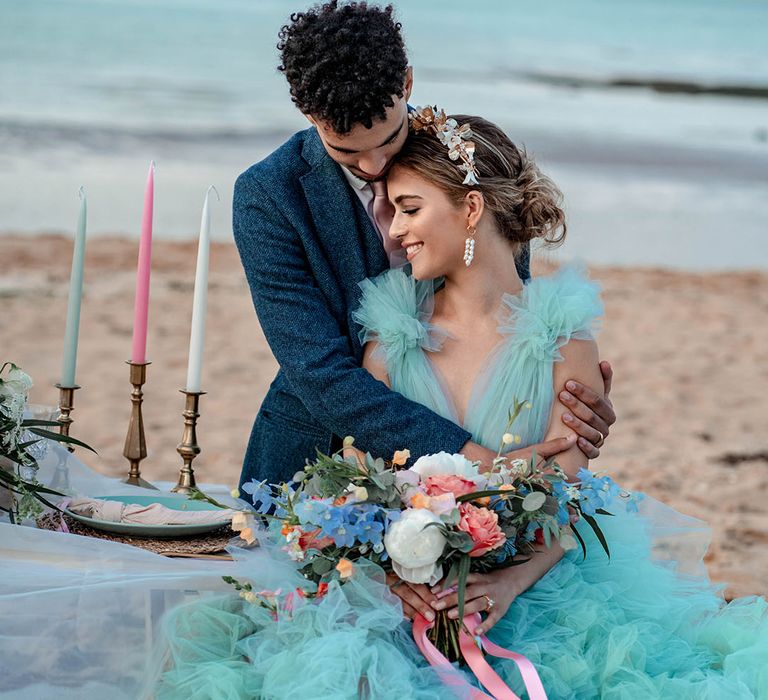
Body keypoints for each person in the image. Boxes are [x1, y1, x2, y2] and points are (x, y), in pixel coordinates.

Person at [150, 111, 767, 698]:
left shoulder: (561, 336)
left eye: (410, 210)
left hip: (537, 583)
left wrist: (508, 581)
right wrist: (396, 576)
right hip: (398, 589)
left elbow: (567, 490)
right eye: (392, 212)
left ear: (472, 208)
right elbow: (364, 484)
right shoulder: (391, 341)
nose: (394, 230)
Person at [232, 0, 615, 489]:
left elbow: (501, 298)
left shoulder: (461, 153)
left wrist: (566, 393)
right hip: (314, 459)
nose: (373, 167)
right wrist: (468, 460)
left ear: (407, 84)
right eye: (347, 151)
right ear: (308, 113)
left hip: (487, 443)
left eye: (387, 141)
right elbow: (318, 371)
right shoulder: (268, 195)